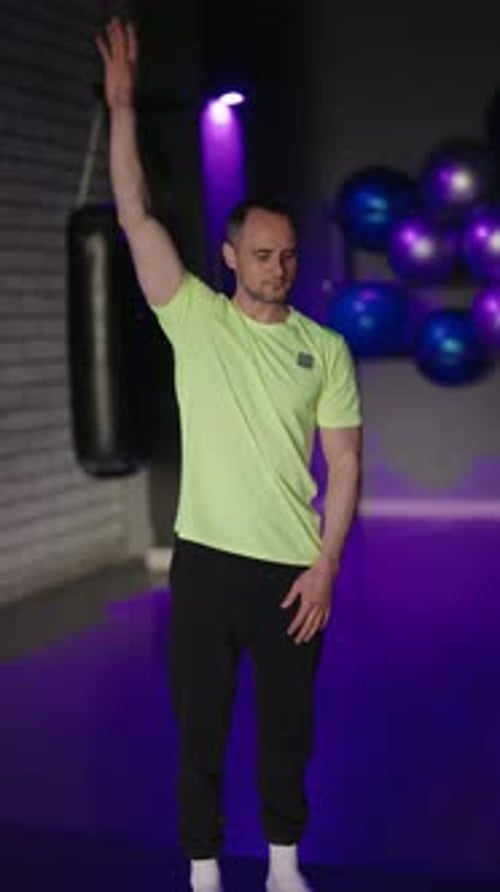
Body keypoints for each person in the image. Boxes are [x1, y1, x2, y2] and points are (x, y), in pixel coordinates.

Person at [96, 17, 362, 892]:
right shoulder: (196, 319)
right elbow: (133, 215)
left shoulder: (325, 350)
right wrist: (124, 108)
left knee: (289, 728)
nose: (277, 268)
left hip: (292, 566)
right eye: (260, 254)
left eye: (287, 257)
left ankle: (284, 865)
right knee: (200, 726)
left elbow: (346, 467)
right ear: (229, 255)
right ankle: (204, 871)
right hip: (207, 563)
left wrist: (326, 569)